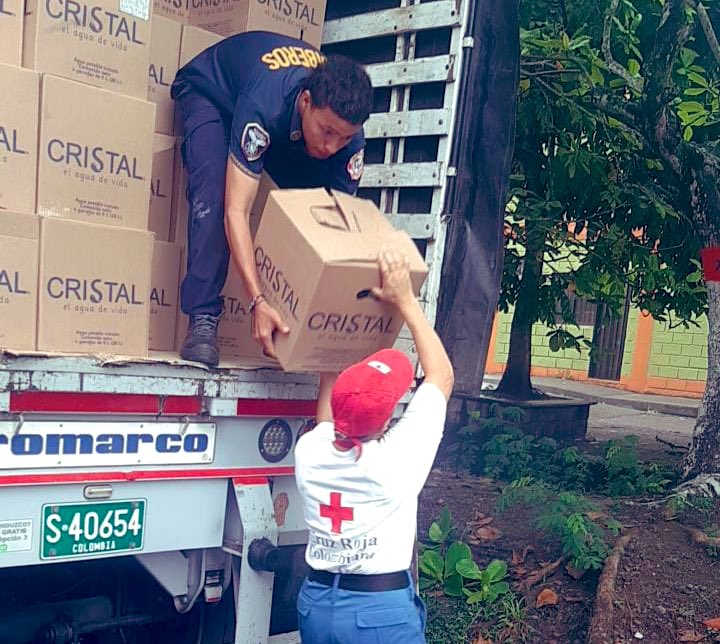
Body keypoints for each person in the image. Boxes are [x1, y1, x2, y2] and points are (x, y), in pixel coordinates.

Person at [171, 32, 373, 366]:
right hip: (214, 95)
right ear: (306, 102)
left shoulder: (347, 138)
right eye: (327, 132)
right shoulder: (264, 103)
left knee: (320, 211)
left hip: (285, 126)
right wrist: (257, 302)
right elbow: (237, 210)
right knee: (216, 195)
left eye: (345, 137)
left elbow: (338, 228)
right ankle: (203, 319)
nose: (332, 147)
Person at [294, 247, 455, 643]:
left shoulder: (311, 451)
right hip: (377, 617)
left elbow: (327, 412)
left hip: (318, 606)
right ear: (385, 419)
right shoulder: (394, 463)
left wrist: (338, 320)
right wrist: (405, 300)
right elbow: (442, 375)